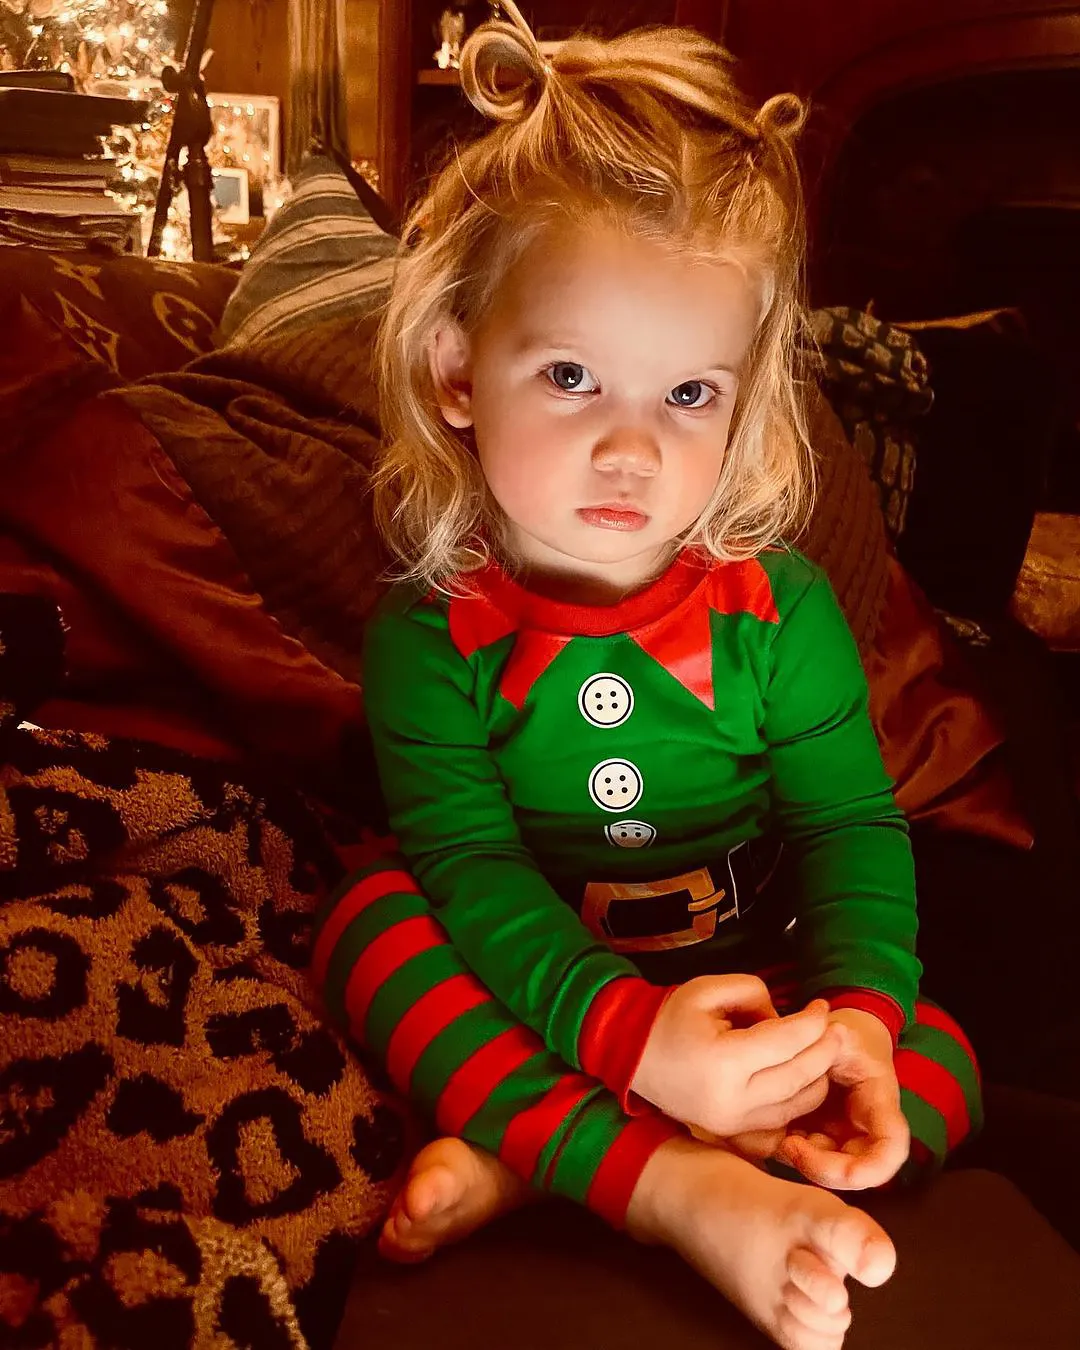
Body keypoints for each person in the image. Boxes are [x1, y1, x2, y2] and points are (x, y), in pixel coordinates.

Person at [313, 6, 981, 1348]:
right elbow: (474, 873)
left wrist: (857, 1018)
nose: (633, 451)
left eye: (687, 395)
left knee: (937, 1053)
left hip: (750, 983)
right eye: (572, 376)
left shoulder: (777, 608)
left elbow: (850, 825)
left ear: (742, 399)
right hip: (547, 995)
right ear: (457, 370)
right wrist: (630, 1040)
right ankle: (676, 1189)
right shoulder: (430, 633)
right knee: (370, 929)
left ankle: (546, 1160)